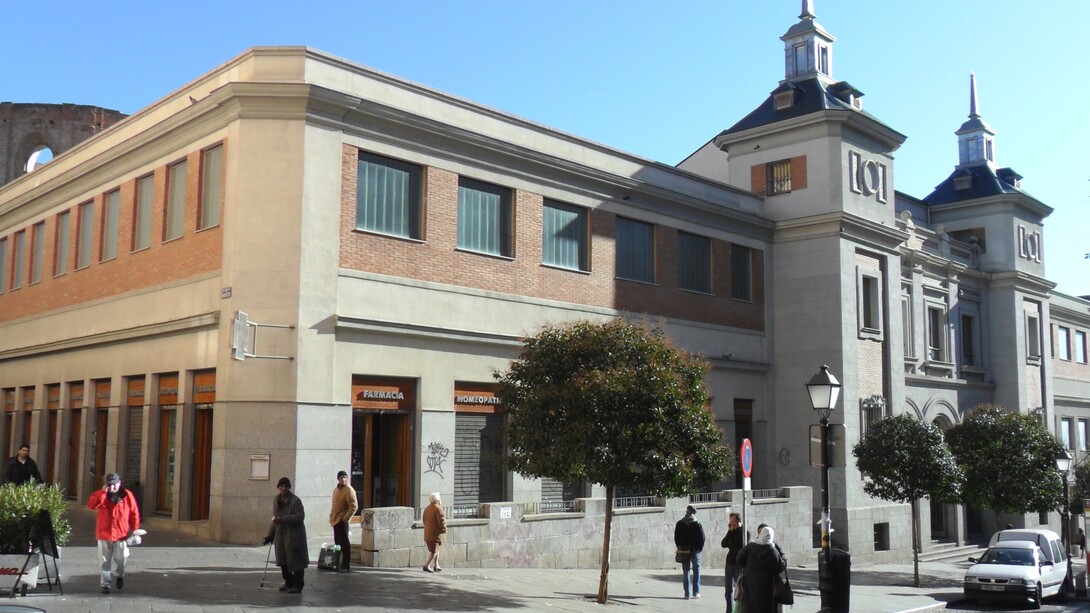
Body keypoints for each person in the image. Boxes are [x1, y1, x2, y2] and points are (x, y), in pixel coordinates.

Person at [87, 472, 140, 595]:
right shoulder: (101, 494)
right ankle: (105, 584)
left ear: (119, 483)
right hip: (104, 533)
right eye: (109, 484)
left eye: (114, 484)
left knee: (121, 558)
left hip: (121, 534)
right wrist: (102, 493)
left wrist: (135, 528)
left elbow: (134, 512)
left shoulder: (127, 495)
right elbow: (91, 505)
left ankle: (119, 574)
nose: (112, 487)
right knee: (104, 561)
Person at [263, 477, 309, 593]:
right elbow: (275, 519)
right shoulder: (276, 500)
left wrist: (283, 519)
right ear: (278, 487)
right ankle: (289, 582)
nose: (283, 488)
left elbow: (300, 516)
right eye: (281, 486)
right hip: (281, 536)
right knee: (283, 561)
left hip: (294, 536)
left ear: (288, 488)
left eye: (285, 486)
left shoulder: (295, 501)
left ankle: (298, 585)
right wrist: (270, 536)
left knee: (296, 562)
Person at [735, 525, 787, 613]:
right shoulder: (772, 550)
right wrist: (784, 560)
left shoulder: (750, 546)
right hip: (766, 586)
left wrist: (747, 566)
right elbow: (780, 567)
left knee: (749, 607)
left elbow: (739, 559)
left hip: (750, 583)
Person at [674, 504, 706, 599]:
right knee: (696, 570)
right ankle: (696, 592)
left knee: (686, 571)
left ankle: (687, 594)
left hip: (684, 550)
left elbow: (676, 538)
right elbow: (702, 538)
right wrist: (699, 548)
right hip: (695, 550)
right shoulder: (697, 524)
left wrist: (680, 547)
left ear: (686, 512)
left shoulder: (680, 523)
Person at [329, 470, 358, 573]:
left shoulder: (349, 490)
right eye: (341, 477)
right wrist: (331, 516)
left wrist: (345, 518)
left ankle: (346, 565)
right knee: (337, 543)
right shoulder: (336, 490)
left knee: (345, 543)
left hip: (342, 520)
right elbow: (334, 505)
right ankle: (337, 563)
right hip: (335, 520)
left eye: (345, 477)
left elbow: (354, 506)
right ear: (338, 479)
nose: (343, 479)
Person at [722, 512, 743, 611]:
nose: (731, 523)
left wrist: (730, 545)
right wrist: (729, 532)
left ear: (739, 521)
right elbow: (723, 544)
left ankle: (739, 610)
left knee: (739, 588)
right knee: (728, 589)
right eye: (730, 521)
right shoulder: (731, 531)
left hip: (738, 564)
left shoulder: (744, 532)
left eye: (733, 521)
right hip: (729, 563)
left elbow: (739, 548)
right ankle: (729, 610)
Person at [422, 492, 447, 572]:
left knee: (436, 549)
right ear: (438, 500)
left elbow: (424, 520)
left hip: (428, 533)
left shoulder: (427, 508)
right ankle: (427, 565)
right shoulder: (438, 508)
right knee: (434, 551)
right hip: (436, 534)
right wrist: (444, 529)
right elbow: (441, 522)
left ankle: (436, 565)